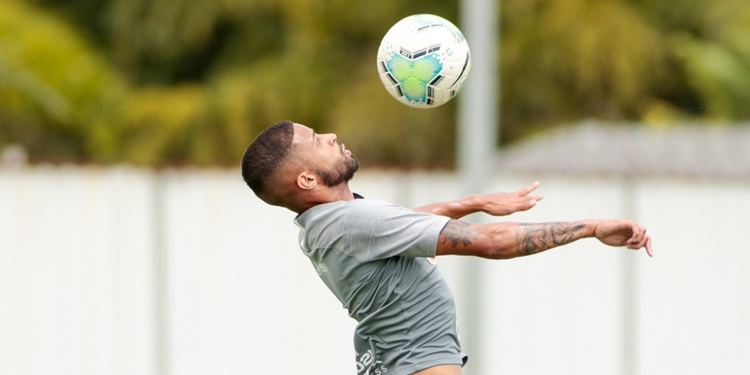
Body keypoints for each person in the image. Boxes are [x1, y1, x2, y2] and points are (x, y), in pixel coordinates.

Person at [241, 120, 653, 375]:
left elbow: (402, 224)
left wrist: (474, 202)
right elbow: (492, 242)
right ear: (308, 181)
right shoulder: (350, 221)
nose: (330, 136)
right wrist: (593, 226)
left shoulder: (319, 226)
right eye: (316, 141)